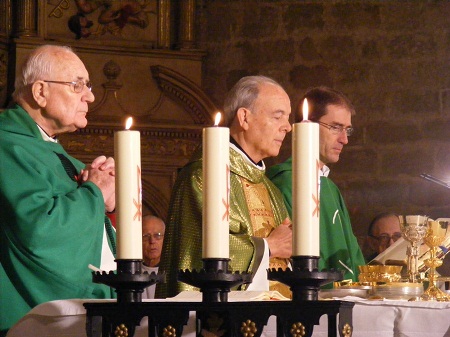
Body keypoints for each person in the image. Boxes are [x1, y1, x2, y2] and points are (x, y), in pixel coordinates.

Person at [0, 45, 116, 335]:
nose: (89, 96)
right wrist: (94, 194)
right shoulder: (7, 146)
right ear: (40, 92)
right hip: (30, 319)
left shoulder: (56, 154)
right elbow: (39, 230)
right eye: (77, 85)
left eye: (88, 86)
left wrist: (108, 202)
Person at [157, 75, 293, 299]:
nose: (287, 127)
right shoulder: (203, 176)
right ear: (244, 117)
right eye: (278, 116)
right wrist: (267, 247)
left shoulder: (269, 188)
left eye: (287, 119)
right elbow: (199, 250)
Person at [267, 86, 365, 283]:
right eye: (335, 127)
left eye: (347, 130)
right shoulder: (287, 182)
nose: (344, 139)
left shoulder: (330, 187)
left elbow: (353, 255)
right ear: (307, 127)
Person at [141, 215, 165, 299]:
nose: (152, 241)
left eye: (157, 235)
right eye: (146, 236)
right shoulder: (131, 272)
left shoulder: (173, 272)